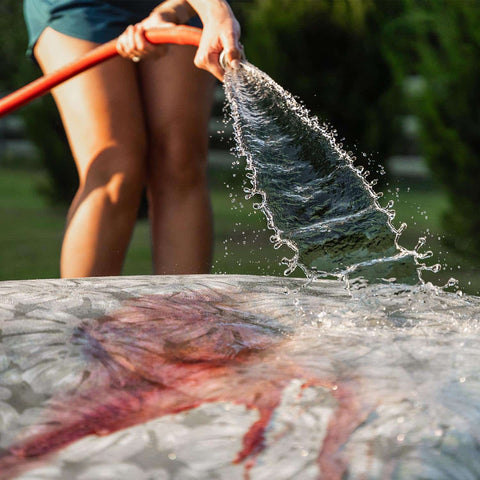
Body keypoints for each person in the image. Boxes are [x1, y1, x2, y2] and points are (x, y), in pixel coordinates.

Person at [23, 0, 242, 277]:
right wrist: (217, 12)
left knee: (179, 161)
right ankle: (86, 318)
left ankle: (184, 313)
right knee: (116, 167)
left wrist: (173, 11)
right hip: (80, 5)